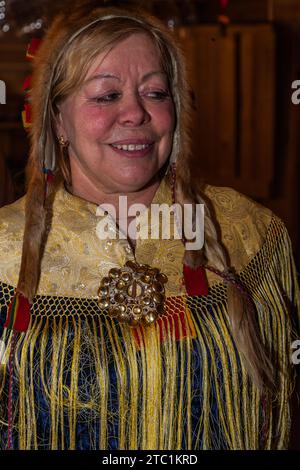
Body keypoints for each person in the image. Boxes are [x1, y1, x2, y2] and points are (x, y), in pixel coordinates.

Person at [0, 4, 299, 450]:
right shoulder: (5, 252)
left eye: (156, 93)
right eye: (106, 95)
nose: (136, 113)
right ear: (58, 119)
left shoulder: (249, 233)